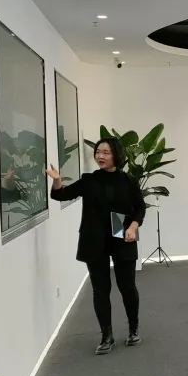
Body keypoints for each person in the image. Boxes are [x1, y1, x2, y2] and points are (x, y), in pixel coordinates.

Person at [46, 137, 146, 355]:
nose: (100, 156)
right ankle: (106, 336)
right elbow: (60, 195)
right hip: (95, 237)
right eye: (98, 152)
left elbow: (140, 208)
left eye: (106, 152)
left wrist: (133, 226)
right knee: (100, 290)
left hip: (121, 232)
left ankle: (133, 329)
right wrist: (57, 180)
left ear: (116, 155)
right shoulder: (89, 180)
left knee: (127, 286)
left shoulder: (129, 181)